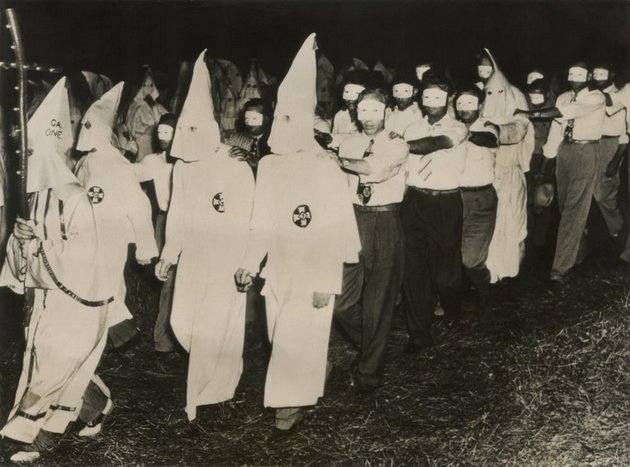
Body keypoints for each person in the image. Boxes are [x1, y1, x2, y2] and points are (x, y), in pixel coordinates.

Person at [235, 33, 361, 432]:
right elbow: (262, 220)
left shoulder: (325, 166)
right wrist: (249, 264)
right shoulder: (270, 166)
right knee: (279, 335)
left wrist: (328, 280)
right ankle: (313, 374)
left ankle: (290, 407)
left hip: (313, 267)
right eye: (280, 119)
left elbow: (339, 225)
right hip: (280, 268)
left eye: (292, 119)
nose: (283, 127)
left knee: (296, 335)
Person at [0, 78, 114, 463]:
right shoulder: (35, 196)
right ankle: (94, 408)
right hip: (49, 297)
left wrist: (39, 245)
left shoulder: (76, 198)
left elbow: (85, 256)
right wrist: (20, 239)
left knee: (54, 365)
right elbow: (23, 255)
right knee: (52, 362)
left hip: (78, 299)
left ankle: (39, 435)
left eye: (33, 153)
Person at [153, 50, 255, 421]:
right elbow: (178, 212)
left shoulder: (234, 166)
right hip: (193, 256)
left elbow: (250, 219)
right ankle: (214, 377)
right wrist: (168, 255)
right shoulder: (182, 168)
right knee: (183, 323)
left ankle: (207, 396)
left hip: (226, 257)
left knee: (217, 323)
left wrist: (247, 263)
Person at [73, 82, 158, 424]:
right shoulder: (84, 163)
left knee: (101, 304)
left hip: (108, 246)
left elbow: (138, 207)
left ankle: (91, 387)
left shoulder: (116, 165)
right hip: (82, 246)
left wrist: (145, 246)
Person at [334, 88, 408, 395]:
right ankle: (373, 346)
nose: (368, 119)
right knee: (341, 303)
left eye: (375, 111)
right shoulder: (348, 142)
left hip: (384, 221)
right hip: (352, 220)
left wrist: (336, 160)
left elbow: (373, 170)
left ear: (387, 112)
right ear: (355, 112)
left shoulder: (397, 143)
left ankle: (369, 374)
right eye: (363, 111)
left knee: (377, 303)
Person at [519, 61, 606, 282]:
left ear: (588, 78)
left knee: (573, 209)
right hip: (565, 151)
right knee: (566, 206)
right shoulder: (563, 97)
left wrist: (533, 114)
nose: (575, 77)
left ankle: (560, 268)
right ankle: (580, 247)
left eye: (580, 74)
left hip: (587, 150)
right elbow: (556, 133)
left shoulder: (596, 97)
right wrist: (547, 165)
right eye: (571, 73)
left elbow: (567, 113)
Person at [402, 76, 468, 352]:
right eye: (426, 98)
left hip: (445, 203)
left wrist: (397, 145)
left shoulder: (459, 128)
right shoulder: (411, 128)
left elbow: (435, 143)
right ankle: (419, 332)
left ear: (449, 99)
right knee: (414, 268)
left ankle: (452, 307)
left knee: (445, 272)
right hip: (416, 199)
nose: (431, 104)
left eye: (438, 98)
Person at [480, 49, 534, 284]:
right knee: (491, 223)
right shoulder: (480, 97)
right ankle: (491, 271)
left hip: (510, 170)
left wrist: (496, 131)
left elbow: (520, 127)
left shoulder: (516, 97)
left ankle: (513, 270)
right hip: (486, 173)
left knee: (513, 220)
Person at [132, 112, 177, 353]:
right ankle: (163, 339)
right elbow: (131, 173)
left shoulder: (190, 162)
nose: (162, 138)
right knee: (167, 278)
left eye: (168, 133)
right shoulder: (153, 162)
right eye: (160, 132)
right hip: (166, 221)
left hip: (192, 223)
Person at [454, 87, 499, 307]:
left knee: (471, 260)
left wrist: (463, 134)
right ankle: (449, 298)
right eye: (460, 103)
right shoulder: (450, 127)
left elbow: (490, 139)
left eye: (470, 104)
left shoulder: (488, 127)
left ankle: (484, 285)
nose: (464, 109)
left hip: (481, 199)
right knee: (450, 253)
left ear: (480, 106)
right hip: (453, 197)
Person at [590, 64, 626, 243]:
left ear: (611, 74)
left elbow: (624, 132)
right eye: (595, 74)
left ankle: (617, 230)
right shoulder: (588, 94)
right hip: (590, 142)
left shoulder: (621, 94)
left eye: (602, 74)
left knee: (604, 194)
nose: (598, 77)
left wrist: (616, 158)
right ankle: (588, 232)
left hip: (610, 143)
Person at [525, 77, 557, 249]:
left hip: (546, 156)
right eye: (532, 98)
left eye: (539, 98)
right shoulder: (526, 107)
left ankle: (540, 239)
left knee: (543, 196)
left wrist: (545, 166)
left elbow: (553, 141)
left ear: (546, 95)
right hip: (528, 155)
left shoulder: (552, 110)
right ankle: (529, 233)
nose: (535, 102)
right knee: (528, 196)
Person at [125, 67, 169, 162]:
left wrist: (154, 107)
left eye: (151, 85)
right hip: (139, 145)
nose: (148, 89)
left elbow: (166, 121)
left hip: (154, 144)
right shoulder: (134, 106)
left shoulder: (158, 106)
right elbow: (130, 126)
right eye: (145, 85)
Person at [225, 98, 272, 172]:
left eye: (254, 118)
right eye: (247, 118)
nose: (249, 122)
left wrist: (256, 161)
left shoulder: (274, 142)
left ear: (266, 119)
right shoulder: (235, 139)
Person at [386, 74, 423, 138]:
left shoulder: (417, 115)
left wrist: (401, 140)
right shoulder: (389, 111)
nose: (400, 97)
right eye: (396, 91)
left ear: (415, 92)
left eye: (405, 91)